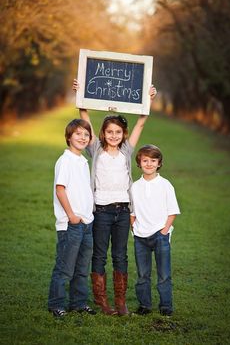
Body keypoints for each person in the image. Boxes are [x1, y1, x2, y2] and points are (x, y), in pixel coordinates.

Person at [73, 79, 157, 315]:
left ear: (123, 134)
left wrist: (147, 101)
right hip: (100, 211)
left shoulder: (127, 151)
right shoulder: (95, 149)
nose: (113, 135)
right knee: (99, 255)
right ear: (102, 133)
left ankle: (120, 301)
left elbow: (141, 124)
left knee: (120, 254)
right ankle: (103, 302)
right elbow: (85, 121)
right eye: (109, 132)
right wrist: (82, 99)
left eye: (117, 132)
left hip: (122, 212)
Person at [48, 119, 96, 318]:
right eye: (78, 134)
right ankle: (56, 304)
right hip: (71, 223)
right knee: (65, 268)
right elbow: (61, 190)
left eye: (86, 134)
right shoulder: (65, 160)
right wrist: (71, 216)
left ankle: (78, 303)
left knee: (82, 268)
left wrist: (86, 216)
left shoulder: (83, 161)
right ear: (68, 137)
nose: (82, 138)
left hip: (86, 223)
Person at [130, 144, 180, 316]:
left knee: (164, 274)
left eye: (153, 160)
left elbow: (172, 211)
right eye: (145, 160)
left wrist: (164, 231)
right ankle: (144, 305)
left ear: (159, 163)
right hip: (140, 237)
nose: (149, 164)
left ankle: (166, 307)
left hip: (160, 235)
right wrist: (134, 228)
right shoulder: (135, 187)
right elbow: (132, 212)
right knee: (143, 274)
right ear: (139, 163)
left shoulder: (165, 185)